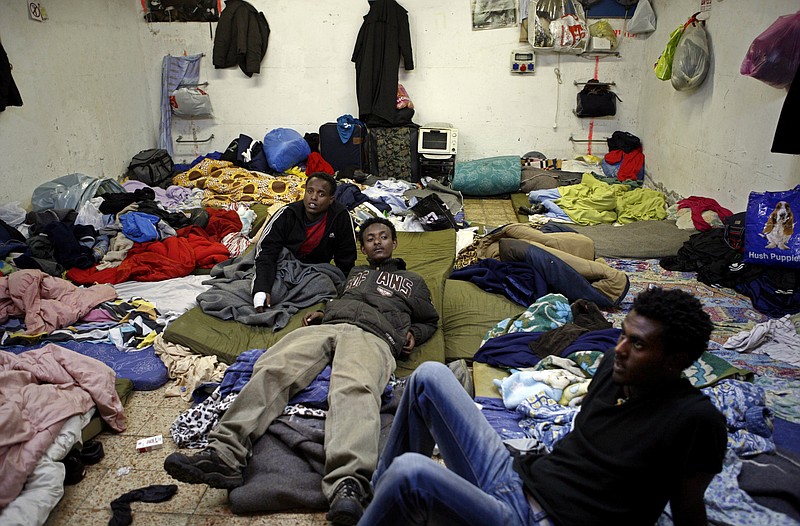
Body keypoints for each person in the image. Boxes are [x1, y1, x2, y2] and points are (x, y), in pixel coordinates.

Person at [360, 287, 728, 526]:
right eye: (623, 335)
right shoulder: (611, 370)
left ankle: (392, 497)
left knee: (412, 474)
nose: (619, 349)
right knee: (430, 376)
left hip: (537, 521)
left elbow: (688, 510)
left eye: (639, 345)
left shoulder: (694, 420)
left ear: (675, 360)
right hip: (517, 481)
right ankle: (381, 497)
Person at [165, 217, 439, 526]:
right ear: (363, 247)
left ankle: (347, 485)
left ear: (394, 243)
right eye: (371, 238)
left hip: (373, 336)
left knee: (354, 388)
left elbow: (430, 320)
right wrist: (322, 313)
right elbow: (344, 302)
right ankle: (225, 454)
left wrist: (414, 332)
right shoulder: (355, 275)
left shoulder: (413, 282)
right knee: (272, 368)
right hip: (329, 327)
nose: (377, 242)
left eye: (384, 237)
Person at [251, 171, 357, 312]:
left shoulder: (341, 217)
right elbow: (267, 252)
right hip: (283, 265)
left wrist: (345, 291)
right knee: (273, 293)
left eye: (321, 194)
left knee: (326, 288)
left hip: (316, 270)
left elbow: (346, 259)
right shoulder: (287, 214)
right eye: (310, 191)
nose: (313, 198)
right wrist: (261, 289)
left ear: (331, 199)